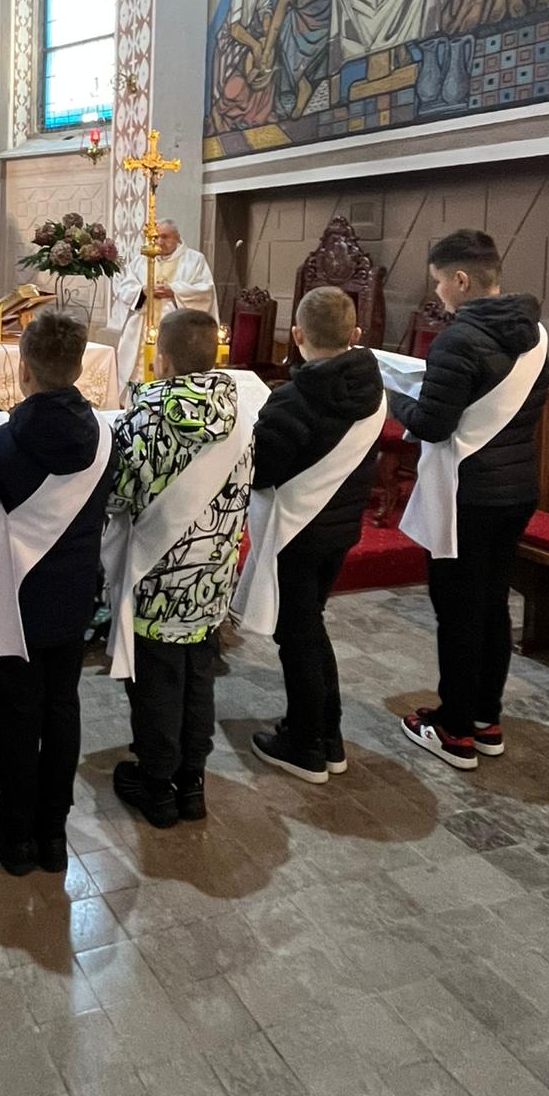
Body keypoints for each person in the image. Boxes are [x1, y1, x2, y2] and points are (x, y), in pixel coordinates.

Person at [0, 310, 117, 876]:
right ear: (79, 368)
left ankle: (15, 831)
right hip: (73, 596)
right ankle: (53, 833)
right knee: (63, 706)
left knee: (19, 715)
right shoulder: (105, 438)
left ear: (23, 369)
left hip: (15, 598)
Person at [391, 230, 549, 771]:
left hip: (468, 495)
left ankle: (454, 730)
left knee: (458, 611)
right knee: (492, 605)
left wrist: (397, 399)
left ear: (460, 279)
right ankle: (486, 719)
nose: (437, 294)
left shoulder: (457, 341)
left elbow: (433, 425)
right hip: (516, 490)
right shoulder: (535, 334)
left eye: (439, 282)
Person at [105, 308, 266, 827]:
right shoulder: (243, 417)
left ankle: (157, 788)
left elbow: (118, 497)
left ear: (163, 361)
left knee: (155, 688)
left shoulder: (143, 420)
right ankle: (191, 783)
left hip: (157, 582)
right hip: (212, 580)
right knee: (199, 680)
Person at [240, 288, 386, 784]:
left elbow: (261, 472)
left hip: (297, 531)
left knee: (297, 636)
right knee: (310, 627)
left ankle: (304, 745)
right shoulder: (373, 389)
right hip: (341, 528)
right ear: (356, 334)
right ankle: (328, 736)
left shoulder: (294, 399)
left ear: (297, 335)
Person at [112, 219, 218, 388]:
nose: (160, 242)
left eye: (165, 237)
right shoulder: (142, 260)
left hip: (177, 331)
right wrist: (143, 291)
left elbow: (205, 292)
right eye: (155, 238)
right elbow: (124, 289)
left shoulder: (194, 260)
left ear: (177, 237)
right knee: (139, 375)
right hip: (142, 329)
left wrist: (174, 291)